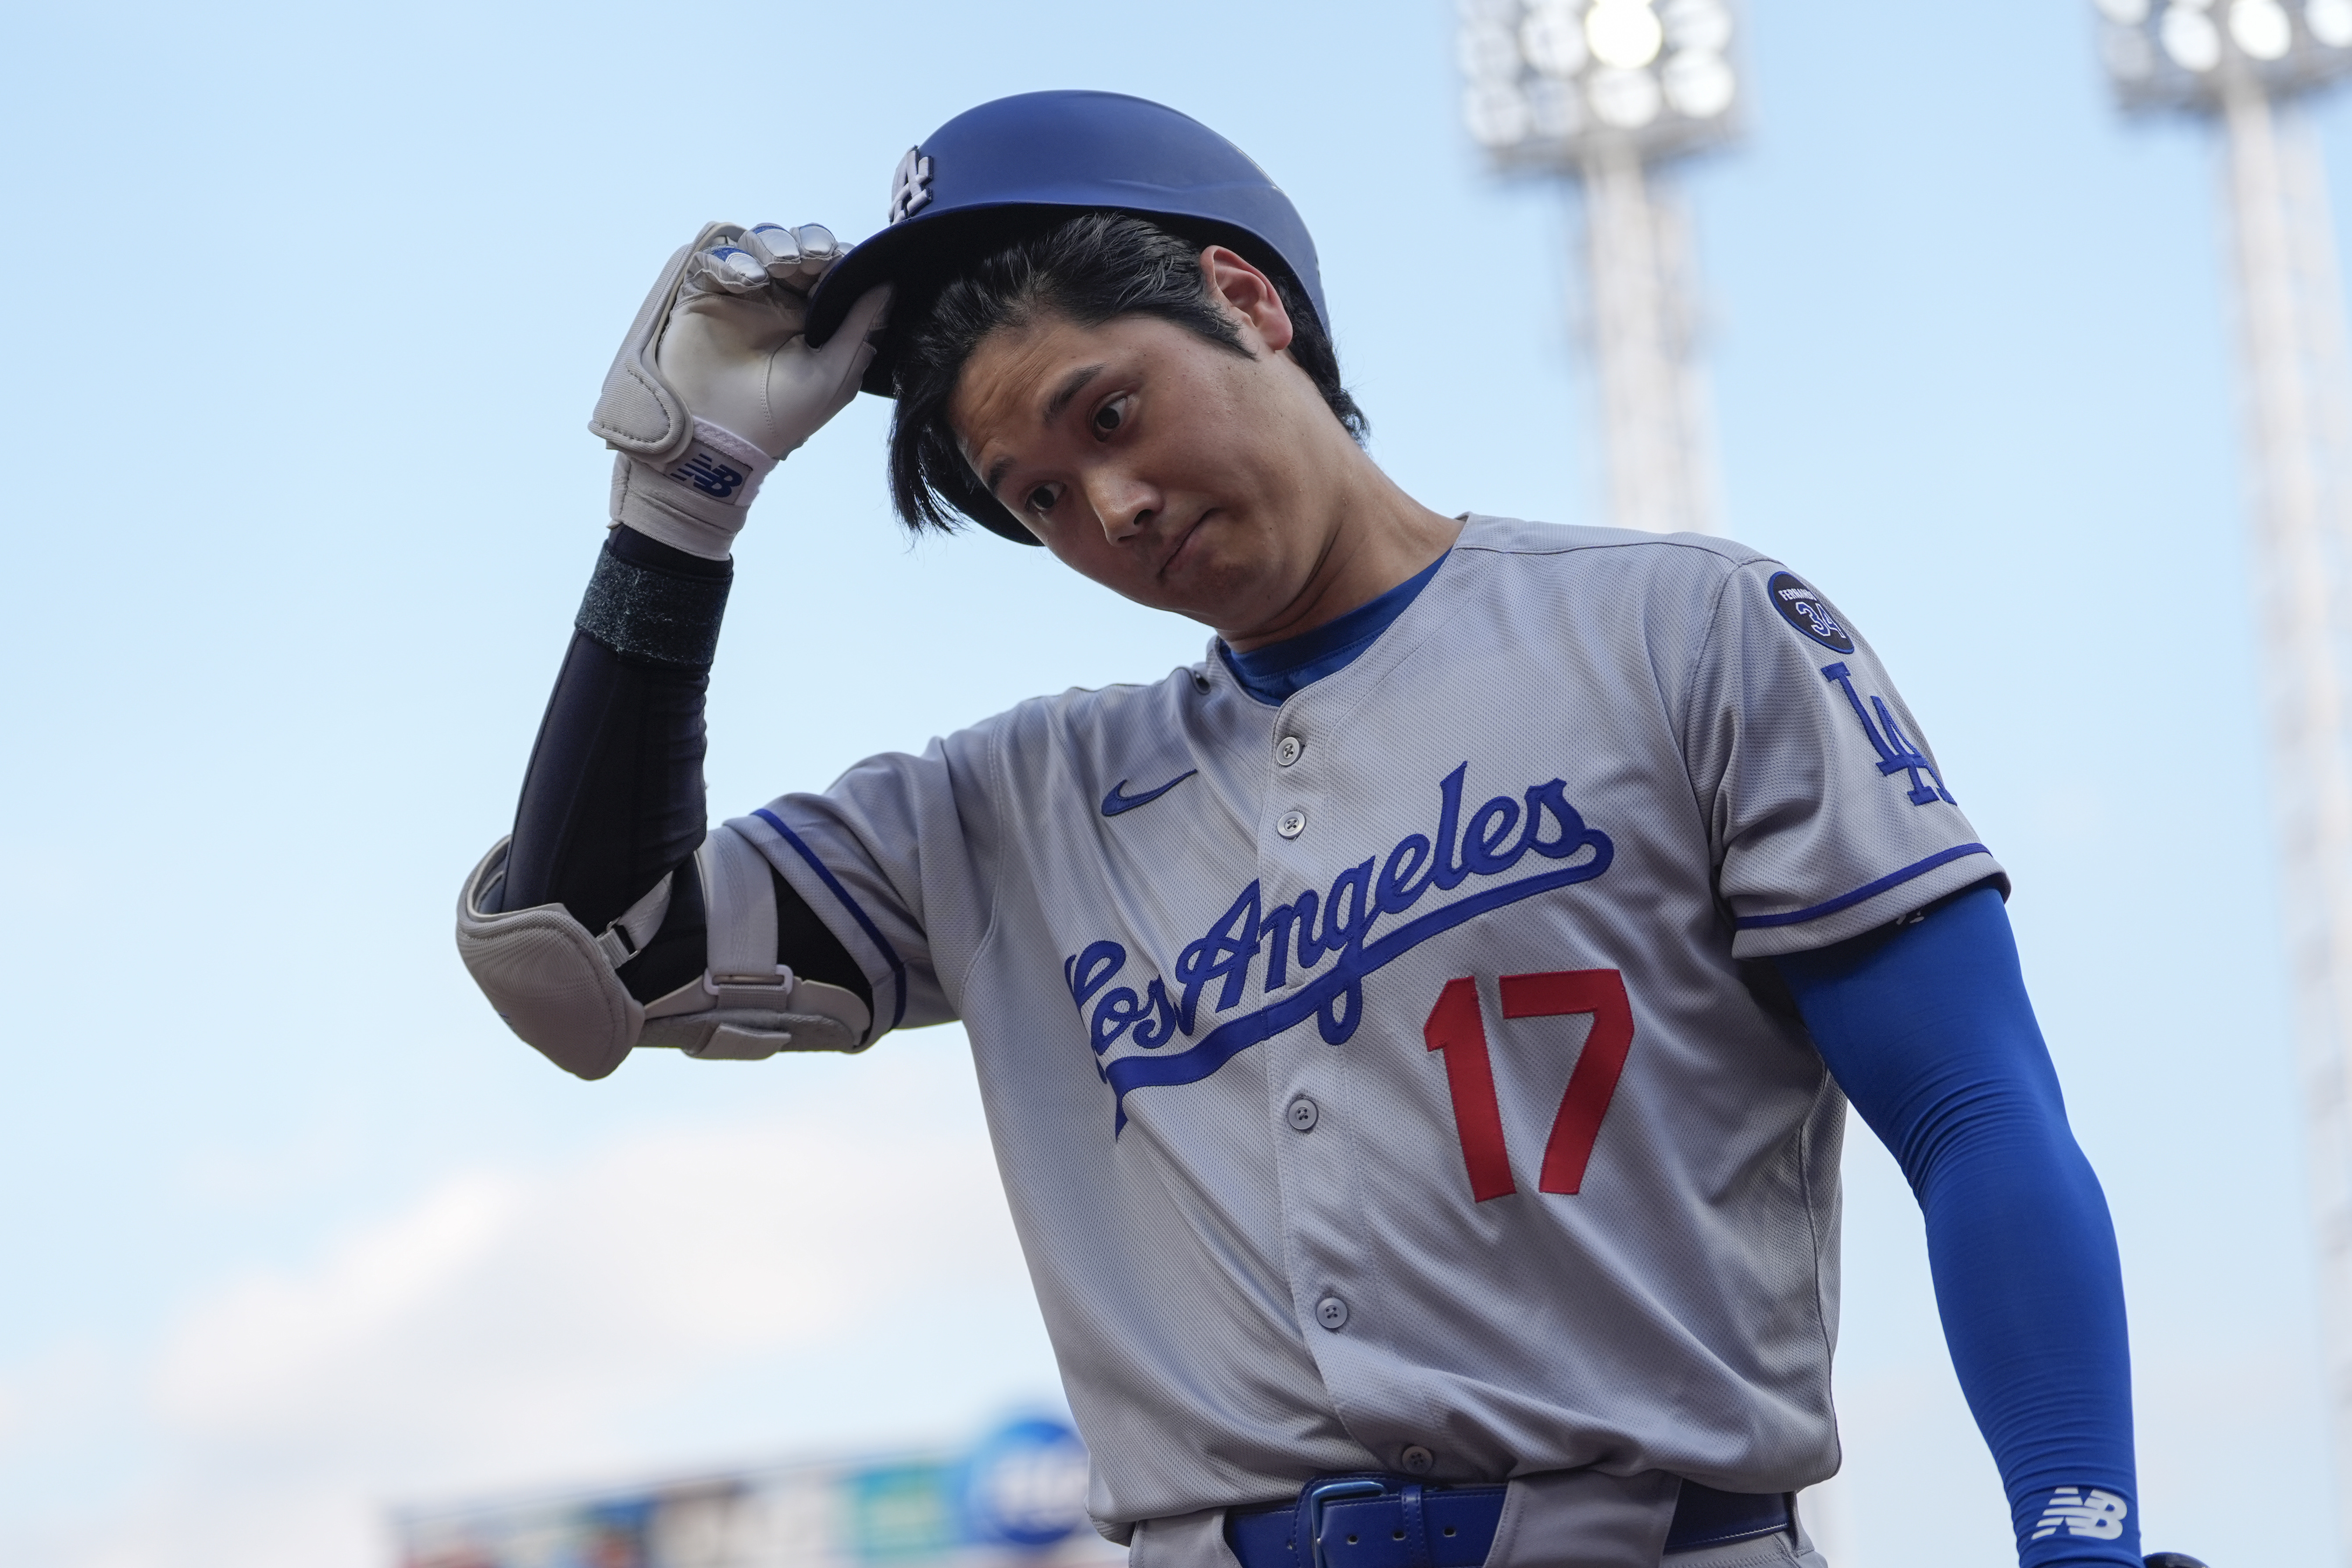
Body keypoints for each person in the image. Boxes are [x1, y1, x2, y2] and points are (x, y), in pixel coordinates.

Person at [457, 91, 2153, 1568]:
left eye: (1106, 414)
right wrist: (680, 514)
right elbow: (582, 961)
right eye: (1035, 498)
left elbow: (1972, 1109)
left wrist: (2078, 1534)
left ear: (1247, 301)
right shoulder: (1013, 806)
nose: (1103, 509)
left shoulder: (1687, 630)